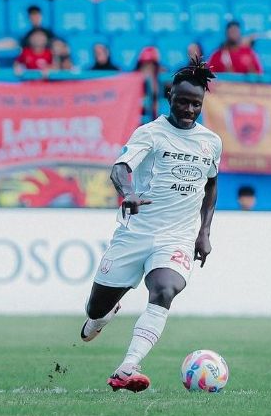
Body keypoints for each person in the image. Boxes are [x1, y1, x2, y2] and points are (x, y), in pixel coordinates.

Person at [79, 56, 222, 393]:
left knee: (164, 289)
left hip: (178, 236)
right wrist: (127, 193)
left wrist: (204, 232)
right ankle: (104, 313)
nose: (189, 109)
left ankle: (128, 366)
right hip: (136, 233)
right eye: (183, 101)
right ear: (169, 95)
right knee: (94, 308)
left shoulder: (211, 142)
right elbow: (120, 168)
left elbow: (212, 185)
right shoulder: (151, 133)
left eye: (196, 104)